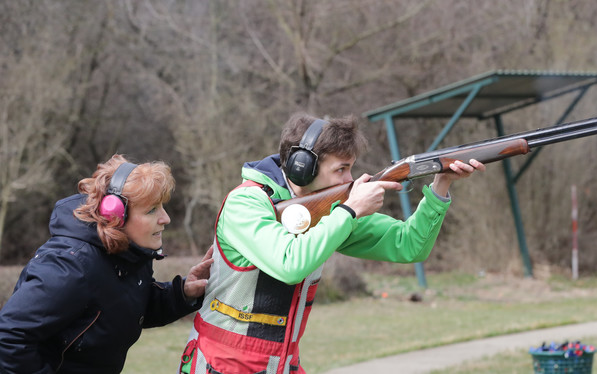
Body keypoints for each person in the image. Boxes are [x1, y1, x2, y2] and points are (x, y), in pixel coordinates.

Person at [179, 113, 485, 374]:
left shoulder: (330, 212)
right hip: (222, 362)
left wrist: (440, 185)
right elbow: (289, 265)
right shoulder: (245, 203)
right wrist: (350, 211)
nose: (349, 179)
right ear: (302, 166)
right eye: (341, 169)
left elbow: (409, 245)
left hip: (281, 362)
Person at [0, 155, 213, 374]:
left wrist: (183, 293)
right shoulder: (69, 266)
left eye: (162, 207)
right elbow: (10, 338)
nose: (165, 218)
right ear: (115, 215)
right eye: (151, 210)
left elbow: (124, 306)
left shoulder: (129, 255)